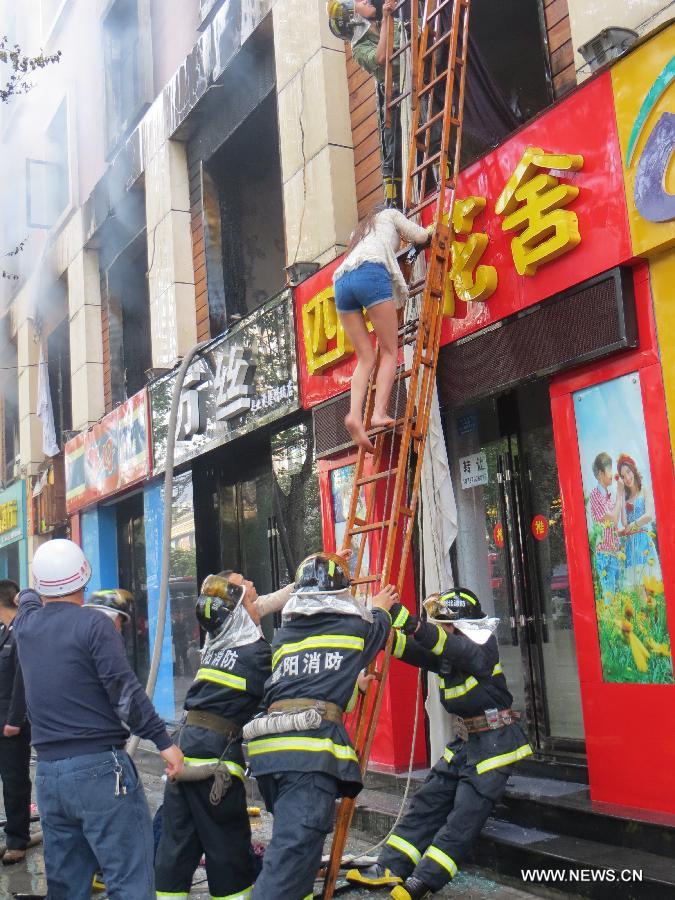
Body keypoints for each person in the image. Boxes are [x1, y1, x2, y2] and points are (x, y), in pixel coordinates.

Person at [13, 539, 183, 900]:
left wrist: (34, 591)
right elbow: (125, 694)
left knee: (67, 886)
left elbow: (25, 599)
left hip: (48, 775)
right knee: (129, 879)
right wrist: (165, 743)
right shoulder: (94, 624)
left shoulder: (25, 627)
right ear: (84, 577)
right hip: (101, 771)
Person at [347, 587, 532, 900]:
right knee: (427, 803)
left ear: (462, 624)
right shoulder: (449, 652)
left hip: (495, 746)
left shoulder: (481, 646)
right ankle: (390, 868)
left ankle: (423, 881)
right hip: (466, 743)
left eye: (446, 623)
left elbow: (449, 646)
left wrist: (411, 622)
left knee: (463, 817)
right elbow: (411, 648)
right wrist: (375, 625)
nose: (443, 629)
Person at [249, 552, 398, 900]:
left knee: (297, 856)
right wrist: (380, 605)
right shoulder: (353, 627)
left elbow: (307, 687)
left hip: (270, 756)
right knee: (292, 855)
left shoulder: (284, 637)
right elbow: (377, 628)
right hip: (307, 756)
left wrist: (351, 687)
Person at [154, 571, 271, 900]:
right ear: (239, 615)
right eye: (251, 600)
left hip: (184, 745)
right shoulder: (259, 656)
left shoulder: (214, 650)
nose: (257, 602)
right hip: (215, 756)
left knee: (177, 843)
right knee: (227, 844)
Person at [333, 205, 431, 451]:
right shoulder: (391, 215)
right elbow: (420, 236)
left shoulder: (360, 233)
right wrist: (429, 231)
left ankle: (355, 415)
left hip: (341, 282)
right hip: (370, 273)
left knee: (365, 358)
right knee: (388, 349)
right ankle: (378, 413)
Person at [328, 0, 402, 207]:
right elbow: (381, 57)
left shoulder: (387, 22)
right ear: (352, 17)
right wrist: (387, 18)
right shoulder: (359, 48)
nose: (366, 1)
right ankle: (395, 205)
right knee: (393, 150)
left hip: (411, 81)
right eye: (359, 2)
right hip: (391, 97)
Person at [0, 580, 32, 866]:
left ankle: (17, 841)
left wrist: (15, 721)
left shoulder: (21, 632)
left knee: (15, 783)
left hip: (12, 725)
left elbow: (23, 681)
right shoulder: (3, 632)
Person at [618, 454, 661, 591]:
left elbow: (649, 515)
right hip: (631, 547)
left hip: (644, 542)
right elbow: (624, 523)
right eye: (623, 476)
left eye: (628, 472)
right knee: (639, 593)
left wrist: (633, 525)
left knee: (651, 590)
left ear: (633, 470)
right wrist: (620, 494)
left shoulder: (645, 489)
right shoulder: (624, 498)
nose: (627, 478)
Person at [589, 452, 624, 605]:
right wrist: (620, 494)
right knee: (611, 601)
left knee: (620, 600)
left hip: (615, 553)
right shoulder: (595, 495)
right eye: (609, 470)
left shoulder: (608, 496)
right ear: (600, 473)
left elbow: (612, 526)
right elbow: (613, 518)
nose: (612, 473)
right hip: (605, 556)